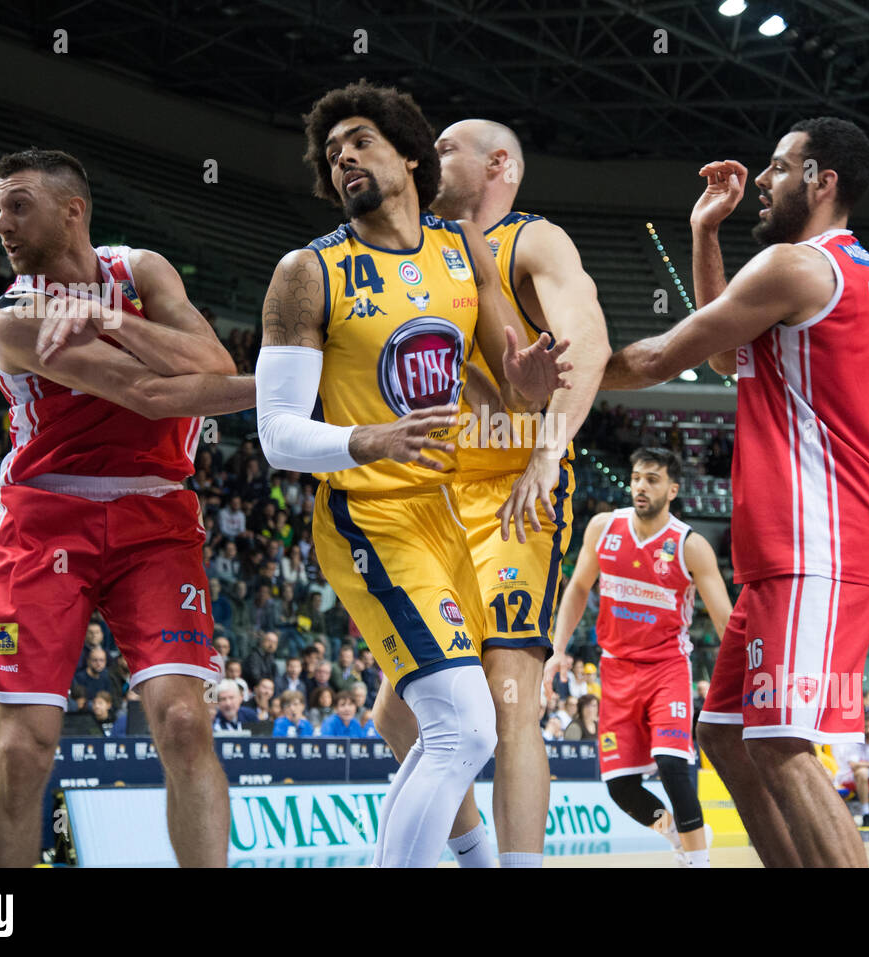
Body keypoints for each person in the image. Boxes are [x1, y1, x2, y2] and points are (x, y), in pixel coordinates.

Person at [254, 82, 568, 869]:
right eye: (331, 155)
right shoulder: (308, 272)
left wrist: (532, 382)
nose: (344, 159)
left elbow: (512, 386)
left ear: (408, 154)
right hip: (369, 513)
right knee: (464, 723)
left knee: (456, 730)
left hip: (444, 515)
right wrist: (372, 439)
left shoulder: (463, 251)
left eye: (359, 141)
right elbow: (276, 435)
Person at [602, 119, 869, 868]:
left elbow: (662, 357)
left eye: (779, 167)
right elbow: (725, 356)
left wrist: (551, 381)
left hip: (824, 538)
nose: (764, 182)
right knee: (726, 733)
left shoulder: (796, 266)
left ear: (822, 180)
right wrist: (705, 233)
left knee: (779, 740)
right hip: (805, 542)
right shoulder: (847, 269)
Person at [0, 148, 255, 868]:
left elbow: (209, 362)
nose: (0, 223)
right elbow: (155, 393)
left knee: (185, 721)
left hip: (157, 516)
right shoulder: (14, 315)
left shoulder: (142, 272)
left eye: (17, 205)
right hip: (44, 515)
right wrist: (281, 384)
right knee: (23, 750)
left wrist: (105, 315)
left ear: (73, 211)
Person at [371, 115, 610, 869]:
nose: (427, 159)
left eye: (444, 148)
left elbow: (590, 342)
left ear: (498, 162)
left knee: (509, 691)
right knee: (398, 709)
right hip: (436, 495)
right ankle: (475, 857)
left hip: (514, 488)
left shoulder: (534, 240)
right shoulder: (419, 252)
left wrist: (547, 451)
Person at [547, 447, 731, 867]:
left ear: (672, 488)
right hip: (615, 669)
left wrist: (737, 678)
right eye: (636, 478)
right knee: (620, 786)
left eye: (651, 479)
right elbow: (577, 588)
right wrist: (558, 649)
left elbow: (725, 620)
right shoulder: (602, 527)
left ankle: (698, 860)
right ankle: (675, 833)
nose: (640, 487)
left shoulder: (690, 545)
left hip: (667, 669)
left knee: (672, 761)